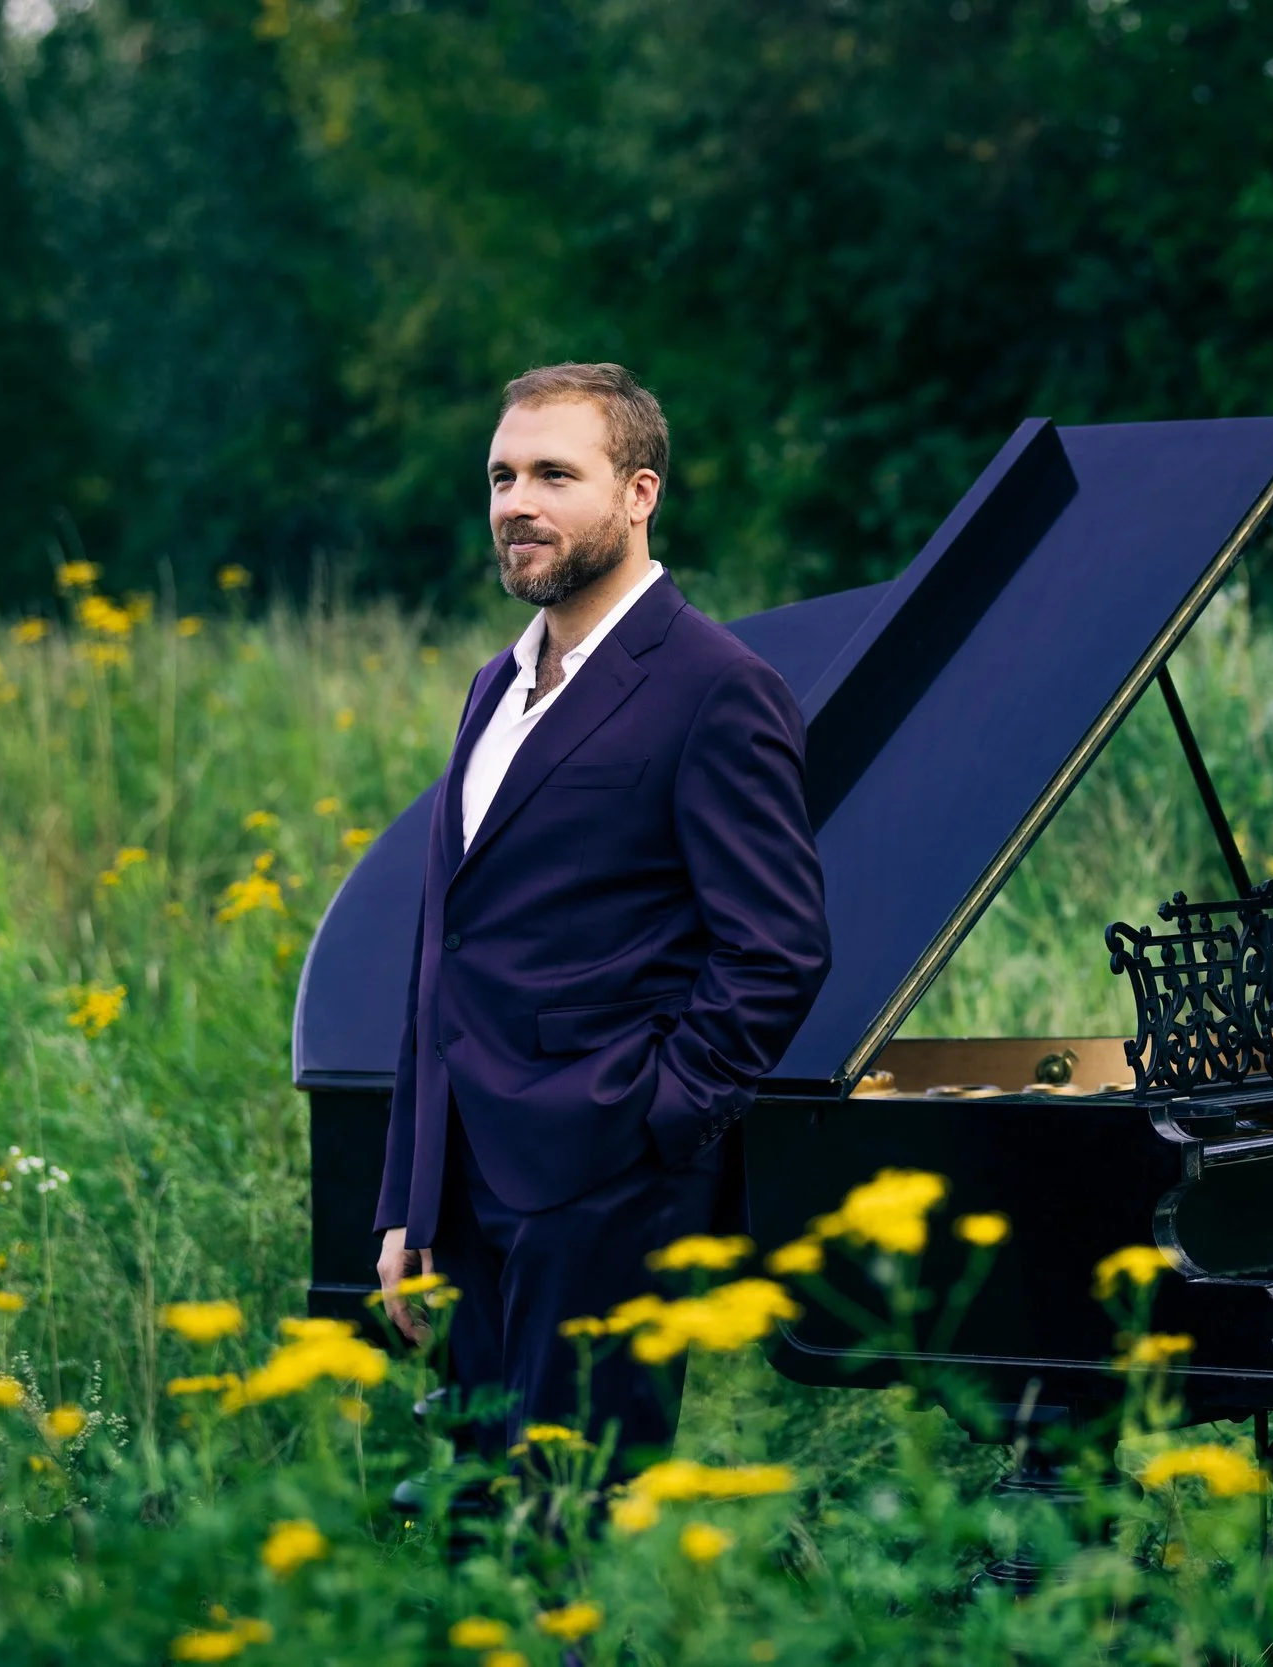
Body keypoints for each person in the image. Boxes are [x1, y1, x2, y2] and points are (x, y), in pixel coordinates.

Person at [371, 362, 830, 1467]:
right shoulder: (495, 683)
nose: (516, 501)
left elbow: (776, 949)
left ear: (638, 493)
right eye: (501, 475)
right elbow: (450, 946)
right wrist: (408, 1195)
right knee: (477, 1518)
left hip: (602, 1183)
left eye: (552, 475)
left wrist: (647, 1128)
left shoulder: (716, 685)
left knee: (571, 1516)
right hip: (467, 1185)